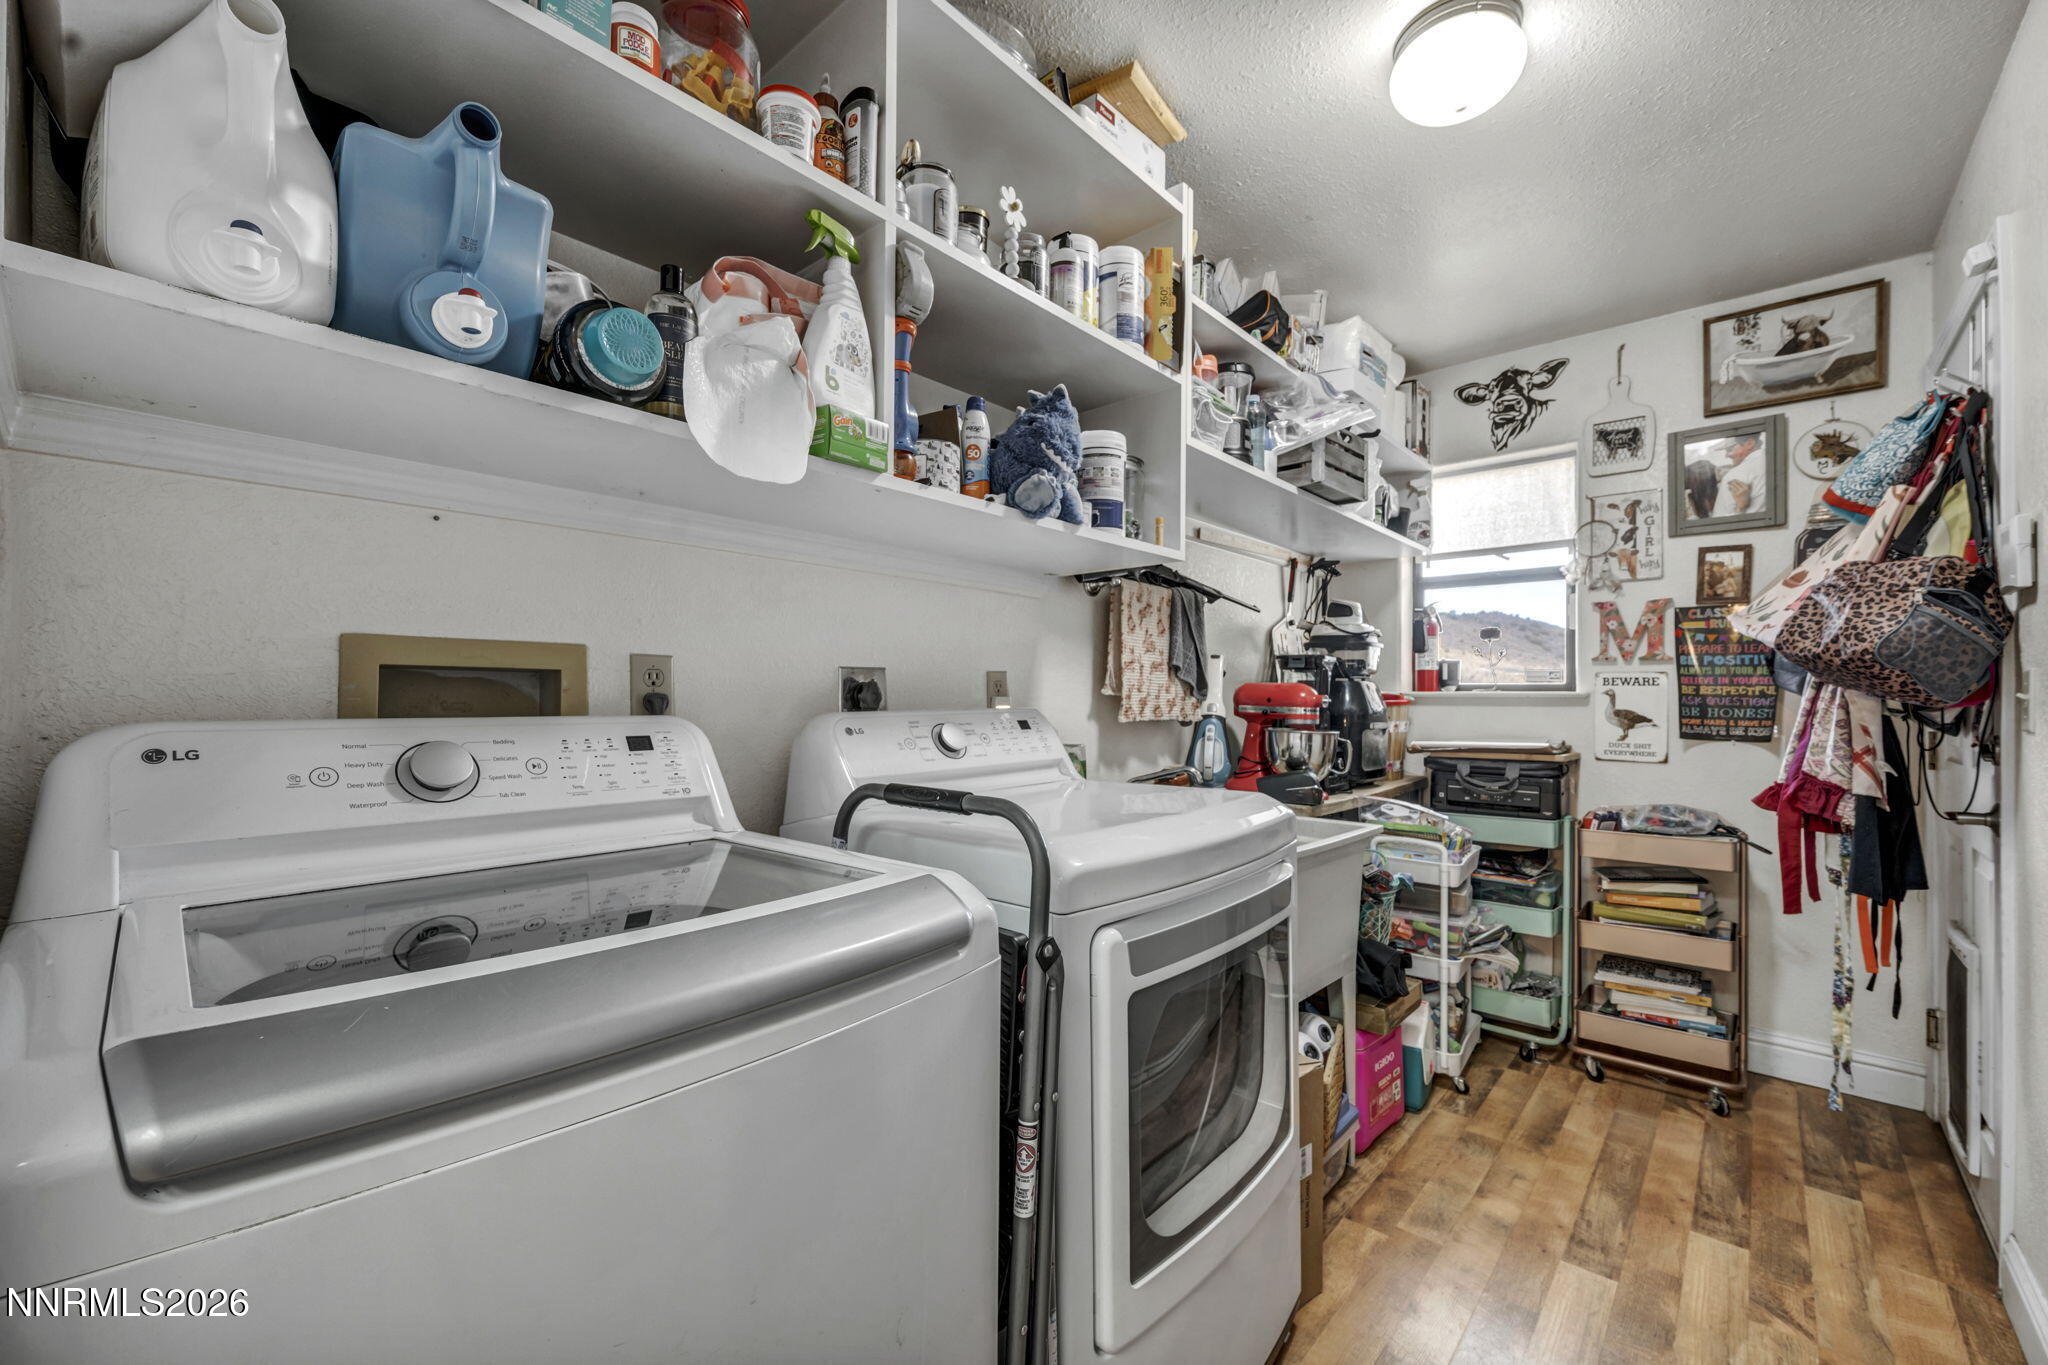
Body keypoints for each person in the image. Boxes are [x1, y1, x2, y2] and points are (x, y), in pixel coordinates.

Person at [1712, 436, 1767, 518]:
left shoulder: (1733, 476)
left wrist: (1739, 508)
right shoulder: (1778, 461)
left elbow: (1720, 521)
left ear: (1750, 443)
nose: (1726, 455)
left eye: (1729, 449)